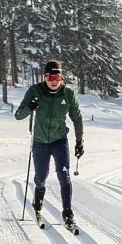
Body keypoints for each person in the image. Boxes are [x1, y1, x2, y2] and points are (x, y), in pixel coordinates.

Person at [14, 60, 84, 227]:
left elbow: (77, 118)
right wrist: (30, 107)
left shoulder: (68, 94)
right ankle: (37, 202)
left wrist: (79, 141)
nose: (54, 80)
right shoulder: (35, 91)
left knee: (64, 176)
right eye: (50, 76)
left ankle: (67, 212)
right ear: (45, 77)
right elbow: (18, 115)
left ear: (61, 77)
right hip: (39, 141)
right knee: (41, 178)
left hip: (60, 140)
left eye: (57, 76)